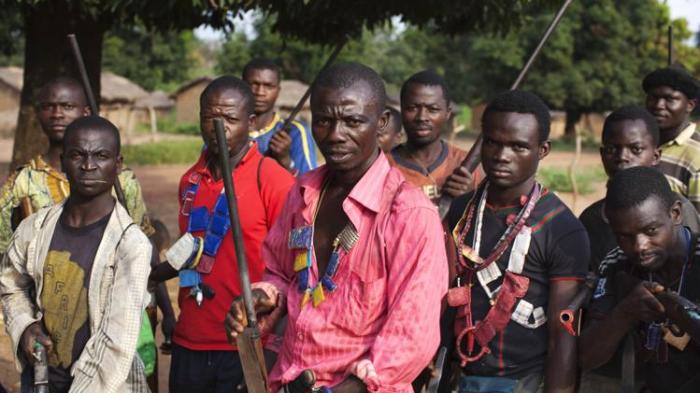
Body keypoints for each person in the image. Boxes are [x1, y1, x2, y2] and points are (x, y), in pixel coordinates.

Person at [225, 62, 448, 392]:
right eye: (324, 121)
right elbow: (283, 275)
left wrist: (353, 387)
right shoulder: (303, 193)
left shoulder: (410, 214)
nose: (335, 135)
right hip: (289, 379)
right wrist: (263, 297)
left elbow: (412, 332)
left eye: (353, 121)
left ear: (382, 122)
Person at [0, 77, 175, 388]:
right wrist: (25, 327)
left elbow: (116, 342)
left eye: (101, 156)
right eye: (78, 155)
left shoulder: (129, 245)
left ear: (117, 164)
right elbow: (10, 282)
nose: (89, 166)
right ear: (64, 163)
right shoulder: (35, 229)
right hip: (40, 379)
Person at [149, 76, 294, 393]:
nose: (220, 127)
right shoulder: (190, 180)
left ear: (250, 121)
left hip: (244, 343)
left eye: (230, 118)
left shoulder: (271, 179)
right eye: (210, 118)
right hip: (192, 338)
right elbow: (192, 253)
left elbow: (290, 273)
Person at [444, 90, 589, 393]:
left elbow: (562, 333)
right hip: (456, 373)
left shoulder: (562, 229)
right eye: (493, 142)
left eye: (518, 146)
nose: (501, 155)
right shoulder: (462, 209)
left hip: (521, 381)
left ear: (543, 149)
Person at [579, 166, 700, 393]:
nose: (639, 246)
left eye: (651, 230)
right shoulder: (617, 264)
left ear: (675, 214)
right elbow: (586, 357)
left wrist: (682, 312)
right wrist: (624, 313)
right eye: (624, 236)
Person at [580, 105, 700, 272]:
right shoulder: (591, 218)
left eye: (635, 149)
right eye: (612, 149)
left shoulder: (678, 208)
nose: (622, 157)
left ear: (656, 156)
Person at [388, 70, 479, 204]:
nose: (422, 117)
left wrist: (470, 197)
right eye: (412, 108)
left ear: (447, 113)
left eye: (433, 109)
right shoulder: (382, 166)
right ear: (402, 110)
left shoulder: (466, 165)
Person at [242, 58, 318, 175]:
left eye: (268, 86)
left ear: (278, 91)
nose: (260, 92)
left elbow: (308, 188)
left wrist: (286, 162)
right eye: (254, 84)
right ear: (242, 87)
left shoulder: (296, 132)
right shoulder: (227, 130)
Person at [643, 65, 700, 211]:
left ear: (690, 105)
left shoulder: (696, 156)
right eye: (653, 97)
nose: (659, 105)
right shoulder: (638, 145)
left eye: (670, 99)